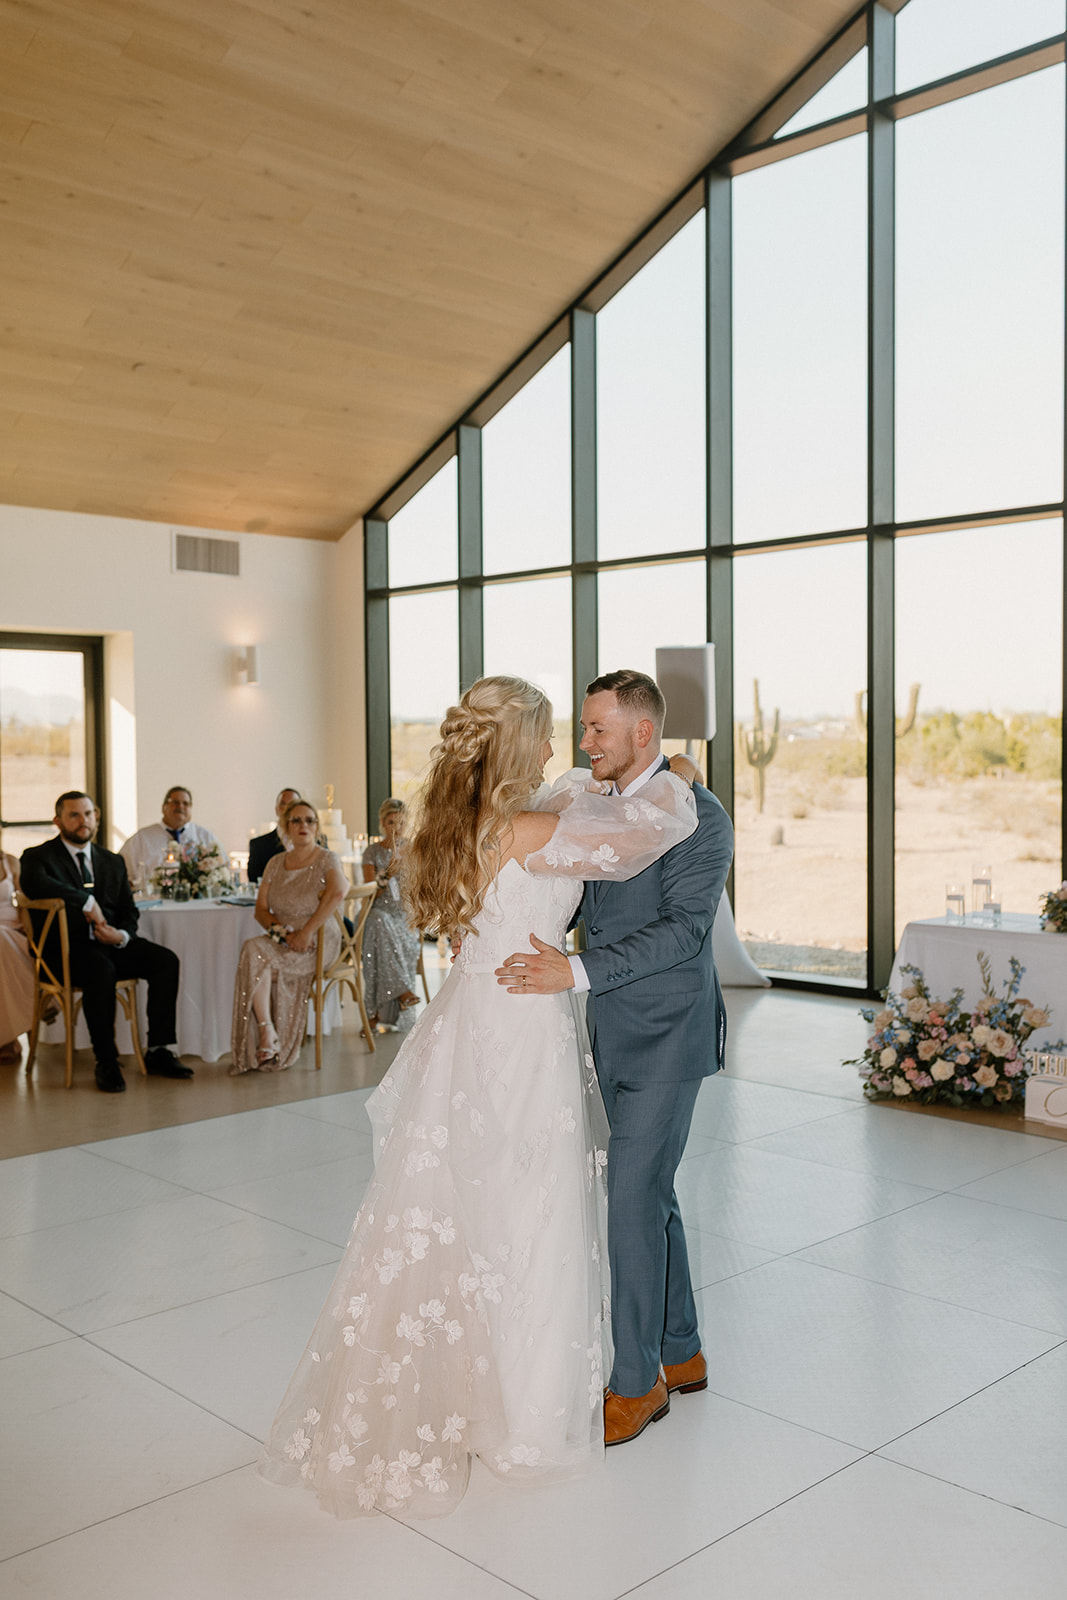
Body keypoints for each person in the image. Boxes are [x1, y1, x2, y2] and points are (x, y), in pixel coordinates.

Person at [258, 675, 698, 1519]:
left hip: (478, 1016)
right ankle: (526, 1416)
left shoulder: (471, 822)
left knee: (478, 1204)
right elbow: (647, 825)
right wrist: (673, 764)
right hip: (519, 1025)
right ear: (512, 746)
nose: (554, 749)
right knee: (528, 1208)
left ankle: (473, 1391)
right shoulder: (533, 827)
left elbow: (577, 800)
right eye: (541, 735)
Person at [493, 668, 733, 1447]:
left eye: (597, 728)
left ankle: (636, 1386)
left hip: (670, 1028)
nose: (583, 741)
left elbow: (683, 932)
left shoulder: (699, 816)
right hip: (607, 1028)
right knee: (650, 1190)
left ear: (640, 733)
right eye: (582, 726)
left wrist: (577, 970)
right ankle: (682, 1348)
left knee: (629, 1196)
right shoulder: (586, 802)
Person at [19, 792, 191, 1093]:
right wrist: (85, 901)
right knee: (100, 968)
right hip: (65, 953)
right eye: (74, 815)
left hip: (110, 943)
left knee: (165, 960)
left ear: (96, 817)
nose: (83, 821)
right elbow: (35, 884)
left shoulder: (111, 861)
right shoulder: (38, 857)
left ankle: (159, 1050)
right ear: (58, 821)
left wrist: (122, 936)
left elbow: (128, 910)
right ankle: (106, 1061)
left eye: (88, 814)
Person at [230, 799, 346, 1074]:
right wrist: (281, 933)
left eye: (309, 820)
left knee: (256, 963)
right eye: (296, 820)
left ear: (316, 827)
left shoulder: (327, 859)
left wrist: (306, 932)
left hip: (318, 939)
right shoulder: (275, 862)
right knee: (252, 950)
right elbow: (260, 910)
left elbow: (338, 892)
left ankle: (268, 1039)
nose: (303, 825)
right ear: (286, 827)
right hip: (284, 938)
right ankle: (268, 1032)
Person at [361, 798, 421, 1031]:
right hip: (378, 911)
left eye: (401, 823)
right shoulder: (372, 852)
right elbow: (370, 896)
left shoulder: (414, 849)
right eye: (391, 822)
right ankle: (403, 992)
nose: (397, 828)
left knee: (379, 937)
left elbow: (421, 891)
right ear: (382, 824)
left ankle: (374, 1015)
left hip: (404, 919)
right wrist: (386, 874)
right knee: (377, 921)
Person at [120, 786, 223, 889]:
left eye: (185, 803)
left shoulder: (205, 837)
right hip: (153, 901)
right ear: (163, 807)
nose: (180, 806)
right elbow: (121, 872)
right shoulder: (141, 839)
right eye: (175, 802)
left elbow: (222, 870)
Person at [0, 839, 36, 1063]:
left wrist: (29, 930)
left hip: (13, 931)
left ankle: (5, 1038)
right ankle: (38, 1004)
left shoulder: (11, 863)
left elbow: (24, 900)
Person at [248, 787, 303, 883]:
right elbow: (255, 881)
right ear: (276, 809)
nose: (287, 809)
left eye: (293, 805)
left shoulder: (317, 842)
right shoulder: (258, 845)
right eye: (283, 804)